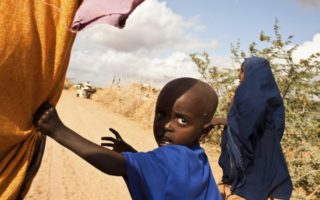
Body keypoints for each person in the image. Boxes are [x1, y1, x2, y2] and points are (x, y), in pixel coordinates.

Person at [33, 77, 222, 200]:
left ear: (203, 132)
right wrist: (131, 152)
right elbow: (162, 173)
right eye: (161, 115)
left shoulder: (175, 156)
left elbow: (117, 165)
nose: (166, 126)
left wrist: (58, 130)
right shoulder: (195, 156)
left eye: (182, 120)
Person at [212, 57, 292, 200]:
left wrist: (222, 123)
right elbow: (275, 126)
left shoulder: (248, 95)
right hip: (270, 167)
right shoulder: (271, 95)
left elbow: (243, 127)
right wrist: (220, 121)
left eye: (242, 71)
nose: (239, 76)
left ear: (251, 73)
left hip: (250, 178)